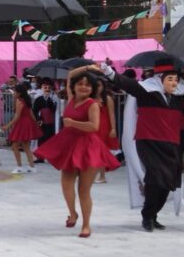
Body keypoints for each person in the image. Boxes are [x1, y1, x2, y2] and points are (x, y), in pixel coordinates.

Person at [97, 59, 184, 231]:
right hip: (148, 141)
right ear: (159, 79)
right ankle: (147, 216)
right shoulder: (146, 91)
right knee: (155, 177)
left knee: (168, 181)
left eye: (176, 79)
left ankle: (153, 214)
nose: (174, 83)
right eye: (170, 79)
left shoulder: (180, 93)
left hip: (171, 142)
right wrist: (109, 72)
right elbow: (127, 84)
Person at [34, 67, 120, 238]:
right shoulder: (72, 98)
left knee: (83, 189)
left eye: (88, 85)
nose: (84, 87)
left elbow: (94, 126)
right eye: (80, 84)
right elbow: (70, 75)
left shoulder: (92, 104)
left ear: (92, 88)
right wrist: (88, 68)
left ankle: (86, 225)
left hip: (88, 146)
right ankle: (73, 213)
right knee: (66, 184)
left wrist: (72, 123)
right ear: (73, 87)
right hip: (70, 144)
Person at [2, 83, 42, 174]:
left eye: (15, 91)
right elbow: (31, 114)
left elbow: (17, 116)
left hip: (22, 124)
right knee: (26, 146)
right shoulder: (26, 100)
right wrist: (35, 124)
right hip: (28, 123)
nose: (13, 93)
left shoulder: (19, 101)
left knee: (14, 146)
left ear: (19, 93)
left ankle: (19, 166)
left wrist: (7, 125)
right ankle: (32, 166)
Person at [94, 78, 119, 183]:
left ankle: (102, 176)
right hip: (93, 126)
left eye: (99, 85)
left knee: (101, 151)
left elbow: (112, 114)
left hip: (104, 127)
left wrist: (113, 128)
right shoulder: (90, 98)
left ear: (103, 86)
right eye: (96, 85)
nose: (97, 88)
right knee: (94, 151)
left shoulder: (107, 98)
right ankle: (94, 174)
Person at [32, 80, 57, 157]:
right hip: (42, 122)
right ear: (42, 88)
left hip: (51, 122)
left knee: (50, 139)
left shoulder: (53, 99)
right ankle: (40, 156)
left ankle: (49, 155)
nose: (47, 89)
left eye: (49, 88)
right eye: (45, 87)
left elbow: (54, 110)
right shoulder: (38, 99)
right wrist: (38, 119)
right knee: (41, 139)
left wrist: (51, 100)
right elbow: (35, 111)